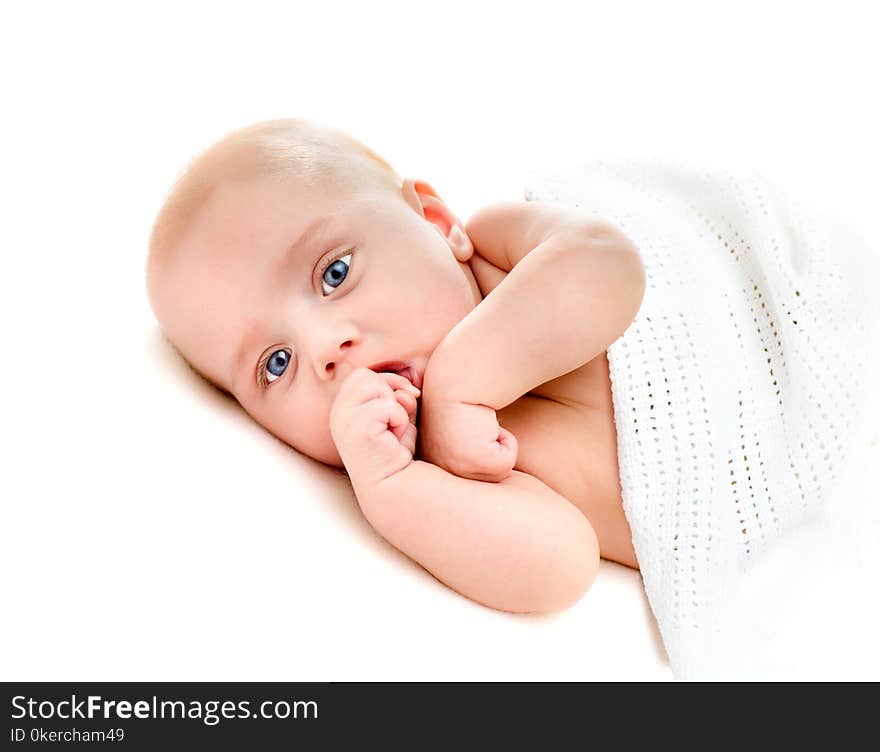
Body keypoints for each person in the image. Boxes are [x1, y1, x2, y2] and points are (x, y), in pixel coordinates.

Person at [146, 117, 646, 614]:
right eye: (277, 364)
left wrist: (462, 384)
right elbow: (559, 567)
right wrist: (392, 488)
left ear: (435, 221)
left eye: (334, 273)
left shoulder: (502, 251)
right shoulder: (448, 471)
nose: (324, 348)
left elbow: (612, 264)